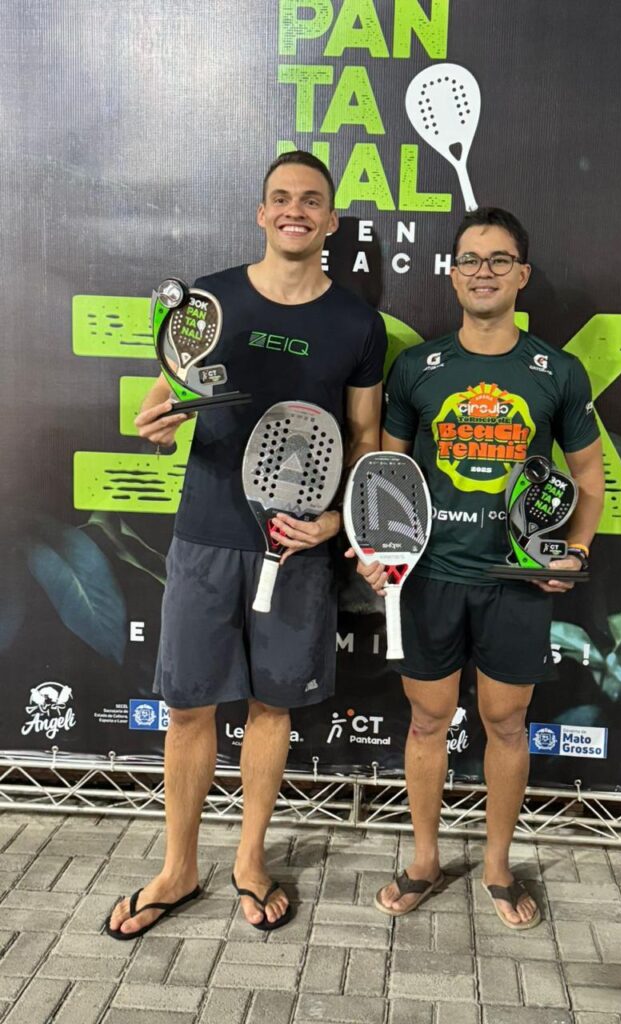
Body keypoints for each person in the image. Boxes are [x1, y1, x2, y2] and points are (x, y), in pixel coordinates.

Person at [106, 151, 387, 938]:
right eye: (281, 198)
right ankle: (178, 868)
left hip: (297, 545)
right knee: (189, 707)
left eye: (311, 200)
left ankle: (250, 861)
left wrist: (339, 522)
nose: (295, 210)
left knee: (272, 706)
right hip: (207, 535)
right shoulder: (212, 299)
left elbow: (364, 436)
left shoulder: (358, 324)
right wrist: (157, 428)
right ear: (261, 214)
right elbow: (164, 402)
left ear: (330, 221)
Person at [353, 207, 604, 929]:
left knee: (507, 723)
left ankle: (496, 866)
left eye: (499, 260)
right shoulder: (417, 368)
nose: (483, 271)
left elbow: (589, 479)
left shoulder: (557, 371)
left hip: (515, 582)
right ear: (452, 274)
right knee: (427, 722)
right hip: (429, 576)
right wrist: (380, 550)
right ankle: (425, 860)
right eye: (470, 259)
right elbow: (388, 474)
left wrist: (575, 551)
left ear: (522, 275)